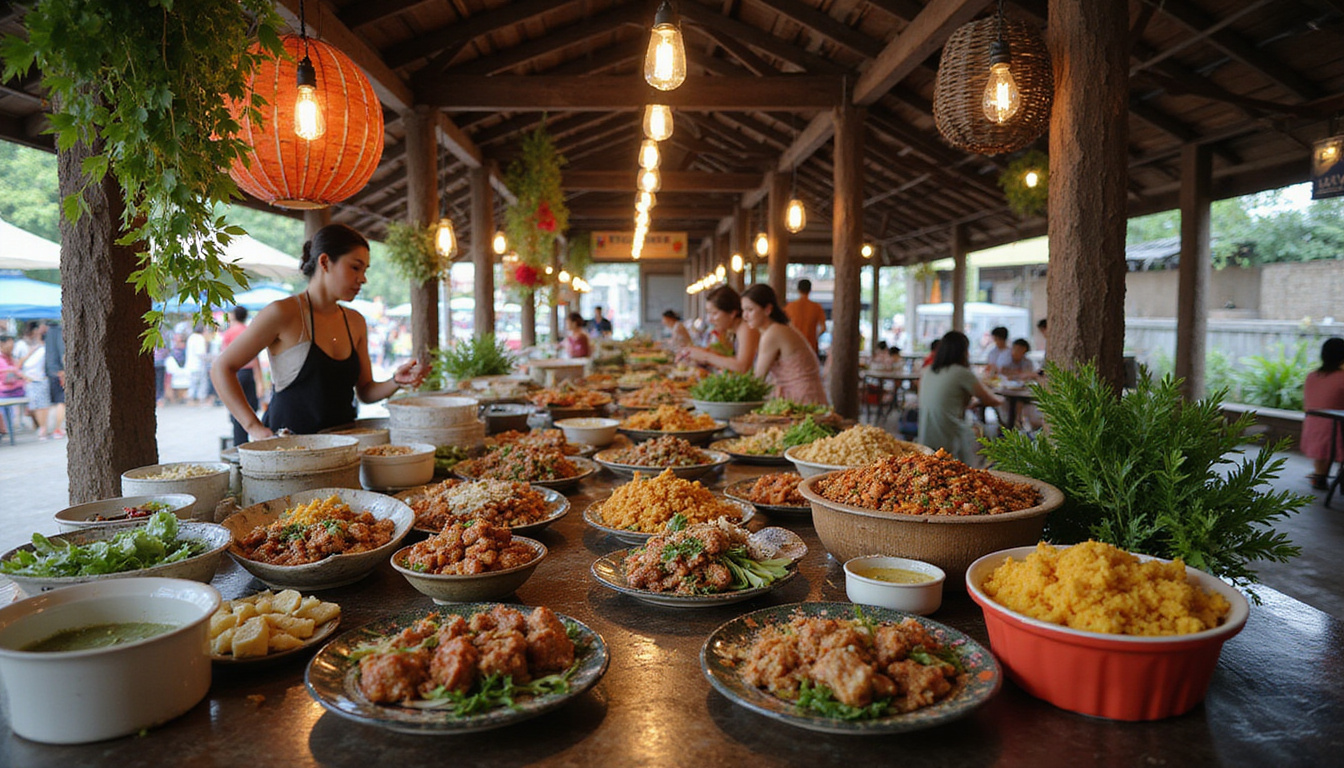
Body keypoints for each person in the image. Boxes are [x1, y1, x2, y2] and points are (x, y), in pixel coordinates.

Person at [211, 224, 428, 442]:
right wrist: (253, 427)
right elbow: (221, 368)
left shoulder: (355, 321)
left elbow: (366, 391)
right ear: (325, 262)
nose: (363, 279)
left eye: (365, 270)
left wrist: (396, 381)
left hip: (344, 449)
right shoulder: (283, 313)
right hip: (289, 451)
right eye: (355, 267)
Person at [917, 330, 1003, 464]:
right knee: (984, 432)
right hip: (949, 438)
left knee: (972, 423)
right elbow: (992, 400)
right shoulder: (961, 373)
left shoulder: (927, 370)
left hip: (925, 435)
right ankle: (979, 469)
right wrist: (1004, 398)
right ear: (963, 351)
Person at [741, 284, 828, 405]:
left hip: (802, 401)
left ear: (767, 309)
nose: (745, 316)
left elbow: (758, 379)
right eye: (743, 310)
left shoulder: (773, 333)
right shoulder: (778, 328)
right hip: (806, 397)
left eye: (750, 310)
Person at [677, 286, 759, 373]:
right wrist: (698, 353)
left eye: (714, 313)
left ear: (732, 313)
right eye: (708, 313)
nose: (710, 319)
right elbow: (729, 360)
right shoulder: (735, 330)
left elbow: (742, 367)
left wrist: (705, 356)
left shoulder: (746, 328)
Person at [1303, 337, 1344, 491]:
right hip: (1336, 431)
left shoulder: (1312, 376)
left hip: (1313, 429)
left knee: (1329, 426)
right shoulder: (1342, 377)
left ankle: (1320, 476)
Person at [221, 306, 263, 448]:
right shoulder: (247, 331)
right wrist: (259, 381)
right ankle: (247, 442)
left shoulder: (229, 333)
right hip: (248, 372)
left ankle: (240, 445)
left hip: (235, 372)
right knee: (251, 406)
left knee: (237, 409)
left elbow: (223, 358)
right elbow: (255, 357)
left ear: (234, 315)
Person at [783, 278, 827, 356]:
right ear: (810, 290)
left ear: (798, 290)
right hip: (811, 346)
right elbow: (823, 328)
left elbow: (784, 326)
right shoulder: (817, 307)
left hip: (794, 345)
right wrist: (815, 336)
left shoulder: (790, 307)